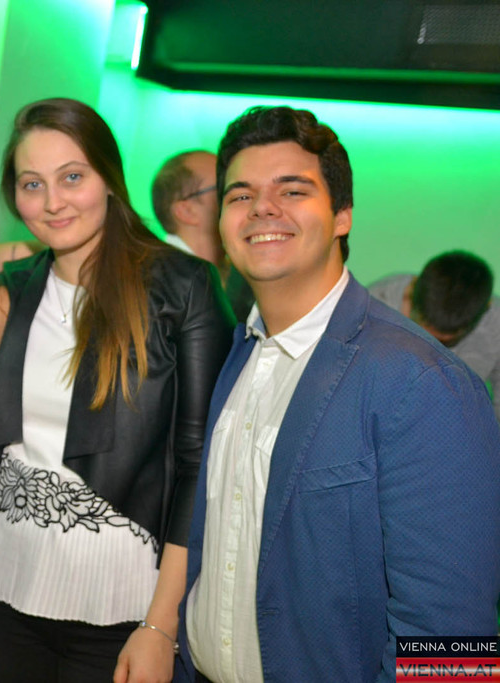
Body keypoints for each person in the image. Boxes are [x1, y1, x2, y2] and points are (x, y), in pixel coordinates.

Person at [181, 105, 500, 682]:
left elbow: (453, 644)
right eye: (240, 195)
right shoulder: (242, 350)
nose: (262, 208)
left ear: (342, 216)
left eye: (293, 190)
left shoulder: (421, 381)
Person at [0, 98, 234, 683]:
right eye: (33, 184)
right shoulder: (15, 286)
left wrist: (161, 625)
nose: (53, 201)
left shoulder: (182, 287)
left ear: (108, 178)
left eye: (72, 177)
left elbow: (198, 468)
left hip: (119, 611)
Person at [369, 250, 499, 420]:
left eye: (445, 343)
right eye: (421, 336)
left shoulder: (495, 326)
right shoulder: (368, 312)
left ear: (486, 309)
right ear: (411, 292)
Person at [152, 150, 254, 323]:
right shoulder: (159, 288)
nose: (242, 195)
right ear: (186, 211)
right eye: (223, 186)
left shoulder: (237, 274)